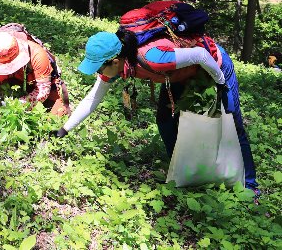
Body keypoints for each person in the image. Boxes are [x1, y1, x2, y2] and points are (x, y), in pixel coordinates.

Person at [56, 29, 258, 192]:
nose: (98, 73)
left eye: (99, 68)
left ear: (115, 61)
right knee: (165, 122)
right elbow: (93, 97)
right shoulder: (119, 64)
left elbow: (201, 54)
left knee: (233, 122)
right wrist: (63, 130)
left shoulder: (153, 58)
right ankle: (180, 172)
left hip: (215, 64)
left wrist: (221, 83)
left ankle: (250, 186)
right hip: (179, 74)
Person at [0, 24, 70, 115]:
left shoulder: (37, 55)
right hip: (13, 82)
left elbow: (43, 90)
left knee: (57, 113)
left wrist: (21, 104)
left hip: (38, 81)